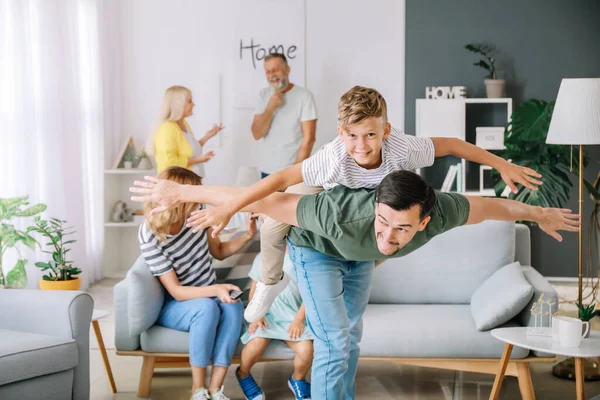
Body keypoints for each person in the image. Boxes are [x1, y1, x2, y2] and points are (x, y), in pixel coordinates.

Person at [130, 170, 579, 400]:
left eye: (402, 230)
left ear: (425, 221)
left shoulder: (443, 212)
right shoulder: (338, 213)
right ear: (373, 210)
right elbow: (264, 196)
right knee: (333, 338)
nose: (389, 237)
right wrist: (185, 191)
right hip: (314, 250)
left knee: (351, 337)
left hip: (357, 259)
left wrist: (540, 214)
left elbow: (491, 207)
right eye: (382, 223)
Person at [192, 85, 544, 324]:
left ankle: (355, 266)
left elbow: (452, 144)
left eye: (371, 135)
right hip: (328, 188)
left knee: (379, 241)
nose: (362, 145)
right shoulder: (332, 157)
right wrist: (231, 206)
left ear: (386, 130)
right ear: (341, 132)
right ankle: (270, 282)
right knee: (273, 222)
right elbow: (280, 181)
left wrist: (501, 163)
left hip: (379, 202)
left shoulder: (403, 148)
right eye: (353, 136)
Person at [138, 166, 257, 400]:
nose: (199, 197)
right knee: (206, 307)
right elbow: (176, 291)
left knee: (232, 305)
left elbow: (220, 251)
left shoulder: (198, 214)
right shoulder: (150, 233)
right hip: (176, 305)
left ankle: (215, 389)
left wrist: (247, 236)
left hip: (208, 297)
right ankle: (198, 389)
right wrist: (215, 289)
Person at [236, 252, 313, 400]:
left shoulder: (304, 256)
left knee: (306, 350)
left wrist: (299, 319)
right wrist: (257, 316)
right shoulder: (263, 257)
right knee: (255, 344)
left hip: (292, 317)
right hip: (267, 316)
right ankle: (243, 373)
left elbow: (310, 294)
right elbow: (254, 292)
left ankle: (298, 379)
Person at [251, 53, 317, 179]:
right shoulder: (263, 95)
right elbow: (257, 134)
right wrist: (271, 107)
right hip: (267, 170)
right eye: (268, 71)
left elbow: (309, 139)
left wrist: (294, 173)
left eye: (275, 70)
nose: (272, 75)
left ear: (287, 69)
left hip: (292, 171)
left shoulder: (304, 96)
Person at [152, 85, 224, 177]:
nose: (193, 105)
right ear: (178, 104)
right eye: (189, 101)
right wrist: (200, 160)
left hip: (190, 181)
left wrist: (207, 136)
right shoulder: (167, 128)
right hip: (176, 183)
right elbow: (169, 162)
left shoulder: (183, 124)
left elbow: (190, 150)